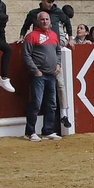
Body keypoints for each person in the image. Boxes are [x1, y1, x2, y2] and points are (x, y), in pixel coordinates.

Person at [21, 9, 64, 141]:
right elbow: (26, 55)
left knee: (51, 104)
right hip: (38, 75)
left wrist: (58, 64)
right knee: (36, 103)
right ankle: (30, 132)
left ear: (50, 21)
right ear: (37, 21)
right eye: (42, 19)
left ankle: (47, 131)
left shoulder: (54, 35)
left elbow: (58, 51)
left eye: (47, 19)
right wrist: (35, 70)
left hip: (51, 74)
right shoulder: (31, 36)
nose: (45, 21)